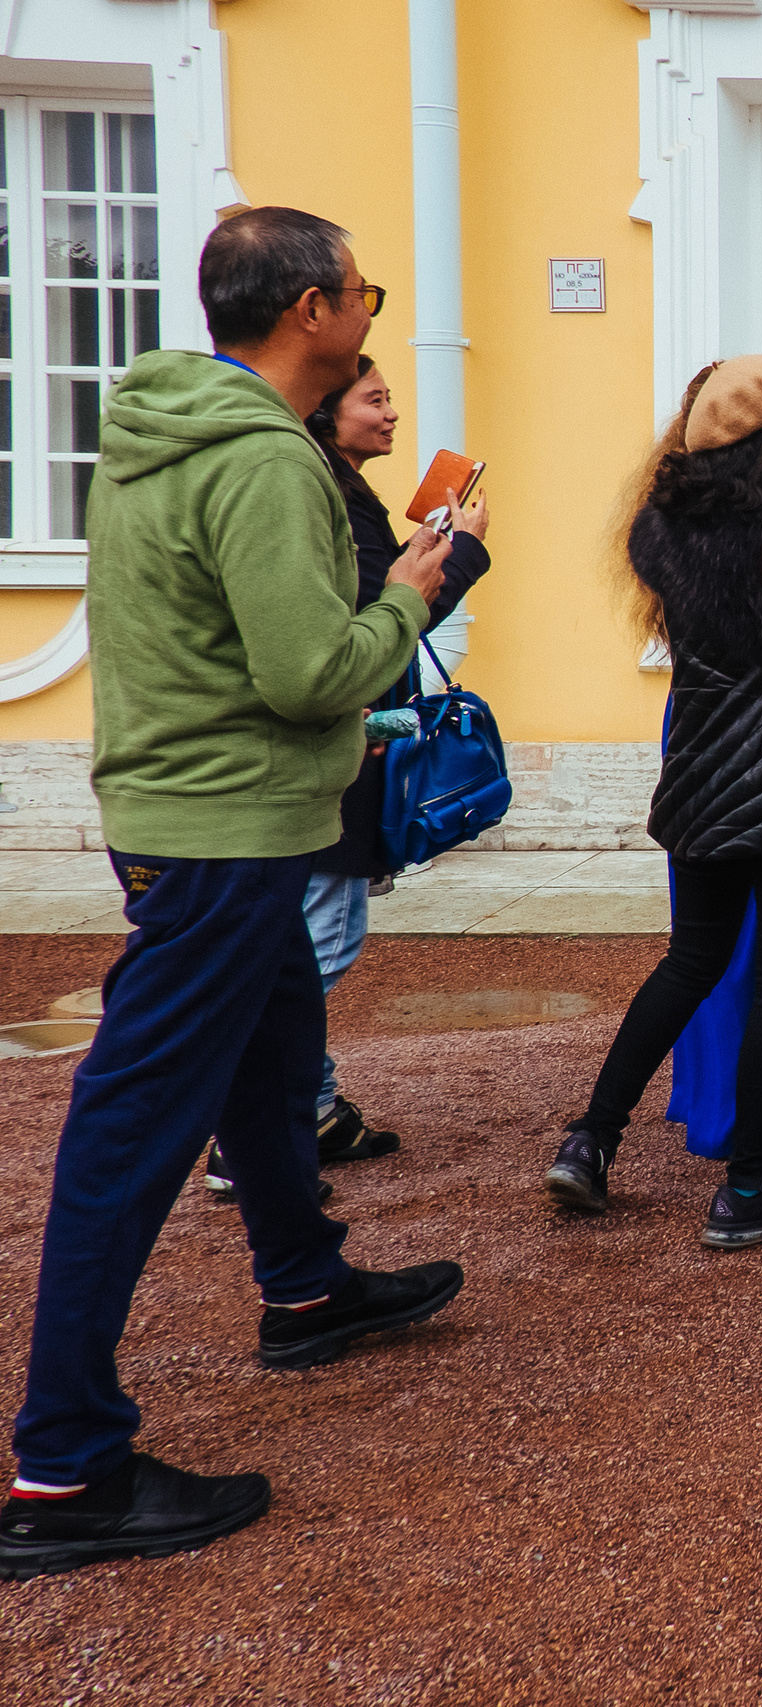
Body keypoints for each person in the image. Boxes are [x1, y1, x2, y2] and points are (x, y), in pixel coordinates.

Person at [1, 208, 466, 1579]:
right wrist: (420, 587)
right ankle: (64, 1462)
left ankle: (307, 1284)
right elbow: (314, 673)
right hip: (227, 823)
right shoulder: (265, 459)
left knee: (274, 1053)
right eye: (362, 292)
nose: (370, 314)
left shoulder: (164, 427)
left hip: (187, 807)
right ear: (315, 308)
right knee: (132, 1121)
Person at [540, 354, 762, 1251]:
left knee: (689, 963)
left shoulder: (659, 525)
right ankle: (748, 1186)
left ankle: (591, 1138)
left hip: (702, 769)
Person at [200, 354, 493, 1199]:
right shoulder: (316, 491)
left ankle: (313, 1109)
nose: (393, 413)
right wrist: (461, 552)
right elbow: (380, 623)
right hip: (328, 752)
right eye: (375, 399)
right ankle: (250, 1131)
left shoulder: (338, 489)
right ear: (328, 413)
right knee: (313, 949)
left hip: (345, 740)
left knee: (314, 940)